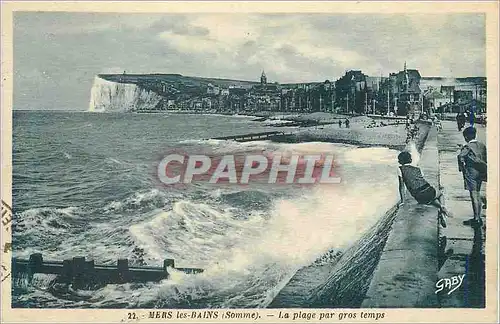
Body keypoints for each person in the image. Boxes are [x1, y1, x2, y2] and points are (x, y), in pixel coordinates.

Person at [397, 151, 449, 227]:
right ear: (410, 160)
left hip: (418, 196)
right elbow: (421, 180)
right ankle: (442, 208)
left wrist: (403, 201)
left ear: (400, 161)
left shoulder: (400, 169)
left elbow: (401, 186)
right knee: (440, 194)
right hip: (429, 190)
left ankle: (441, 207)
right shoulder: (417, 169)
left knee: (429, 200)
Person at [458, 126, 487, 227]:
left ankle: (476, 219)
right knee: (478, 194)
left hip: (472, 173)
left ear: (466, 137)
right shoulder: (482, 145)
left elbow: (461, 156)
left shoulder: (467, 147)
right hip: (481, 172)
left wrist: (463, 168)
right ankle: (478, 216)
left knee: (473, 195)